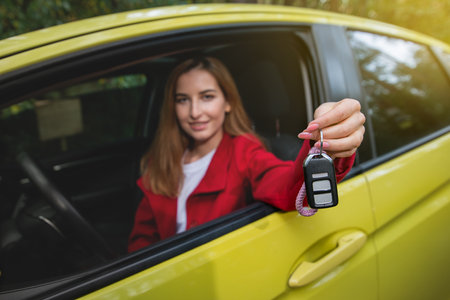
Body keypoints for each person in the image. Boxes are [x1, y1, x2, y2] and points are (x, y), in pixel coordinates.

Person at [128, 57, 365, 252]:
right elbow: (141, 243)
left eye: (207, 97)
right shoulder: (159, 160)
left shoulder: (245, 151)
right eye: (183, 100)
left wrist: (329, 144)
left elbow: (286, 186)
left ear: (227, 102)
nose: (195, 112)